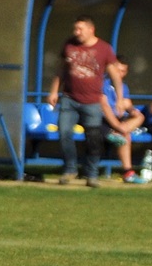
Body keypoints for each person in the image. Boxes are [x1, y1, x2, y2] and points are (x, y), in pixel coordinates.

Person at [47, 15, 119, 188]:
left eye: (80, 29)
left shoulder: (104, 48)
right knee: (64, 132)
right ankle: (70, 169)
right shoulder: (69, 44)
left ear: (90, 29)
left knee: (93, 138)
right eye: (75, 29)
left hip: (93, 101)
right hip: (69, 99)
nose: (76, 32)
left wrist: (121, 99)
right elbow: (61, 69)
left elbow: (115, 75)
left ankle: (91, 175)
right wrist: (54, 91)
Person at [100, 54, 146, 183]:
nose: (121, 74)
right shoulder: (102, 83)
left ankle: (118, 132)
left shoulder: (123, 86)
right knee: (125, 135)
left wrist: (132, 111)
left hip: (120, 121)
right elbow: (104, 107)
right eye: (118, 70)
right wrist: (117, 126)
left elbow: (128, 104)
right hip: (104, 120)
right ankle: (128, 172)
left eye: (124, 71)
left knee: (140, 117)